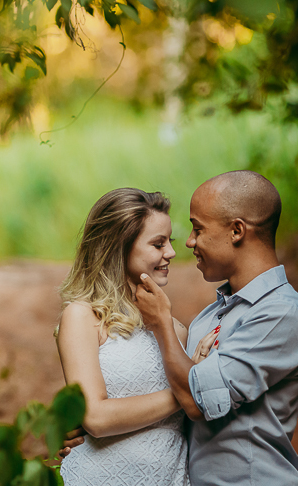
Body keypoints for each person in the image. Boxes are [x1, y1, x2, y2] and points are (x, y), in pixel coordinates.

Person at [133, 170, 298, 486]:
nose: (189, 242)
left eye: (197, 229)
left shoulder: (283, 314)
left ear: (237, 230)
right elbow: (175, 397)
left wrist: (161, 323)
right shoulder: (210, 315)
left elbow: (194, 403)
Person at [56, 188, 215, 486]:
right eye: (158, 244)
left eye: (170, 242)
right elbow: (96, 419)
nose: (170, 252)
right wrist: (188, 390)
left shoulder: (176, 330)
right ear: (121, 246)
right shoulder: (82, 317)